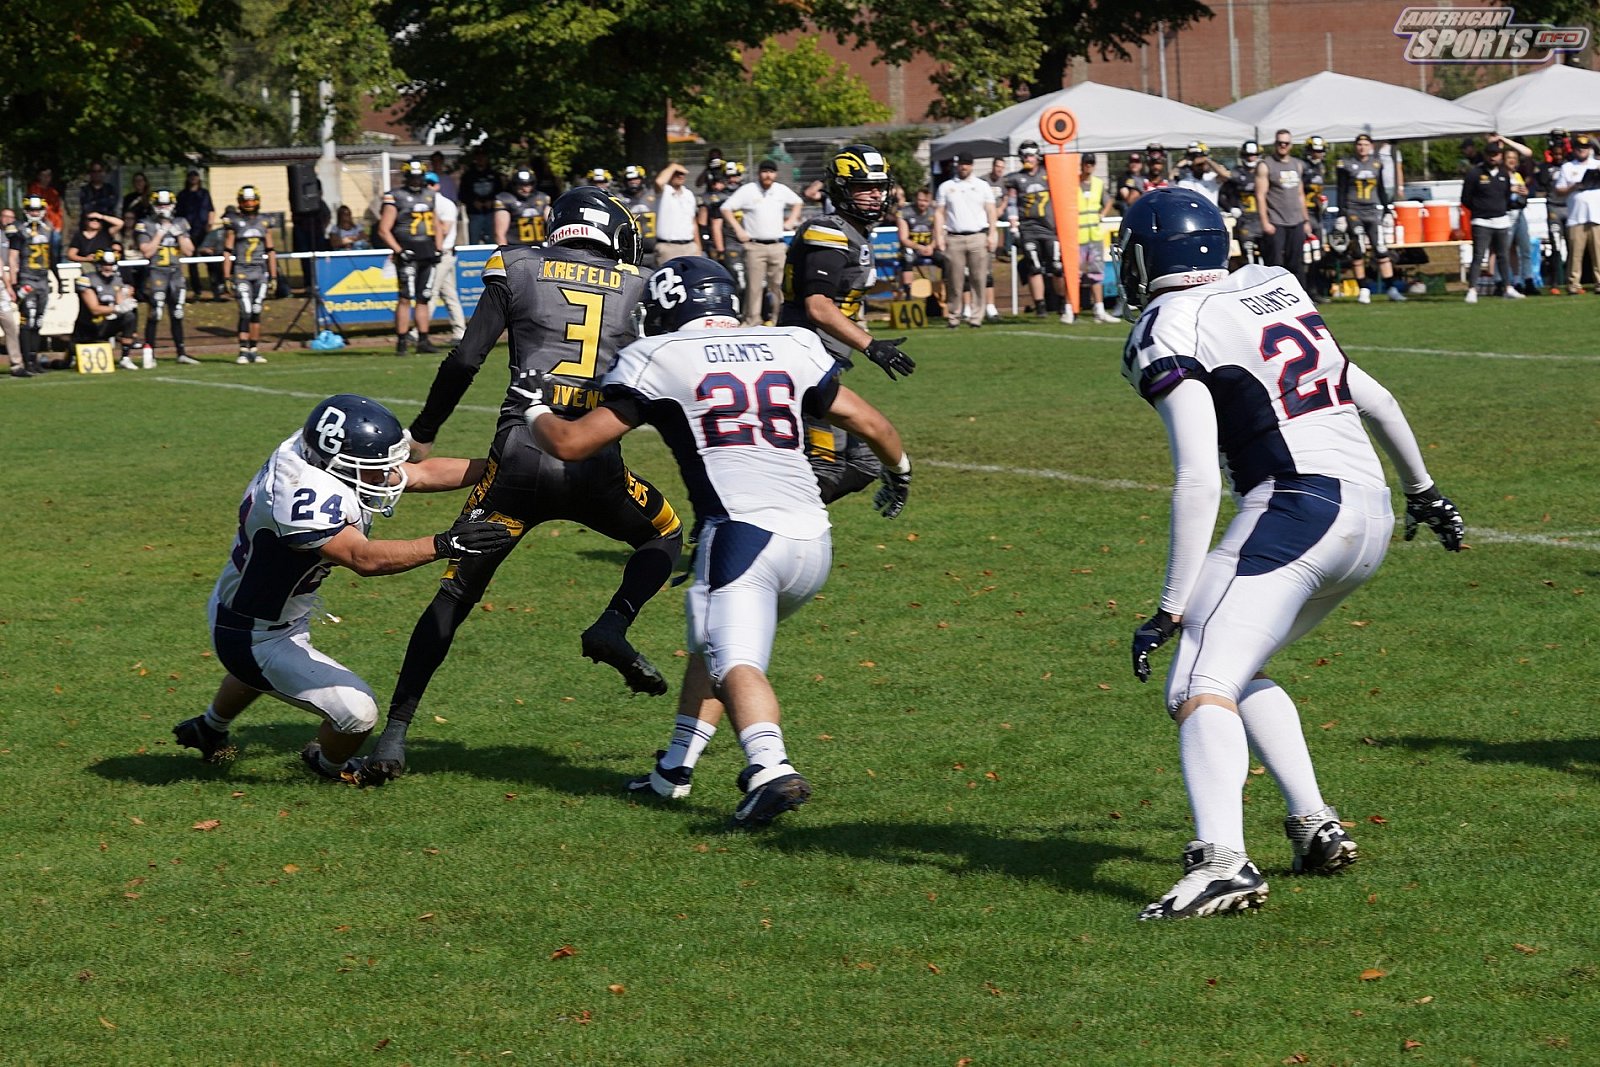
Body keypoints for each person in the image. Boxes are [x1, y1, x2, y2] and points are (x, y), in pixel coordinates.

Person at [1116, 188, 1465, 920]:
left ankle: (1222, 862)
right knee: (1235, 666)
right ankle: (1314, 824)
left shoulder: (1169, 321)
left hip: (1297, 506)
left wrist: (1171, 605)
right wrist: (1425, 491)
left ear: (1147, 257)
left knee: (1196, 679)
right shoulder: (1270, 289)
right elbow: (1376, 397)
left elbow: (1197, 475)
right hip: (1368, 512)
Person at [529, 256, 911, 826]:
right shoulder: (789, 343)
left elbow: (570, 443)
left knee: (734, 661)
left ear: (666, 308)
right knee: (711, 645)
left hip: (741, 535)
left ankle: (770, 768)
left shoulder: (659, 354)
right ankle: (674, 770)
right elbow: (872, 424)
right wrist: (899, 472)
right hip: (812, 540)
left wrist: (533, 409)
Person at [355, 188, 685, 785]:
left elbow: (464, 360)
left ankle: (395, 735)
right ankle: (613, 623)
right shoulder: (637, 284)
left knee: (455, 595)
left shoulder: (517, 265)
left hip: (518, 466)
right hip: (595, 465)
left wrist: (424, 432)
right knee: (664, 534)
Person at [171, 394, 513, 778]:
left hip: (252, 607)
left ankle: (209, 728)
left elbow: (418, 474)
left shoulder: (310, 455)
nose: (386, 475)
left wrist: (505, 467)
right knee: (358, 713)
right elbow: (362, 558)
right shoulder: (303, 498)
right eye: (374, 469)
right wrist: (445, 544)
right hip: (251, 632)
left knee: (266, 673)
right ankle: (328, 764)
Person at [778, 144, 916, 503]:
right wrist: (871, 346)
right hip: (802, 364)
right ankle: (764, 520)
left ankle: (775, 514)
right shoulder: (829, 232)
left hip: (823, 364)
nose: (875, 195)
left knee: (865, 462)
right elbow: (819, 306)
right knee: (825, 466)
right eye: (863, 187)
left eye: (879, 187)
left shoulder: (854, 232)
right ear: (841, 190)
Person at [720, 159, 803, 326]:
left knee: (779, 286)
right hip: (755, 246)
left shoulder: (780, 190)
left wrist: (791, 221)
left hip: (777, 245)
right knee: (754, 286)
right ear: (759, 173)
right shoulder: (748, 190)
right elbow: (726, 208)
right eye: (764, 172)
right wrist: (739, 230)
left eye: (771, 172)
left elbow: (798, 202)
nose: (768, 175)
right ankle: (752, 320)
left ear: (775, 174)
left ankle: (779, 320)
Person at [378, 159, 443, 355]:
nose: (416, 181)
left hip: (427, 251)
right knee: (405, 297)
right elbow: (383, 229)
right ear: (406, 177)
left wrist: (439, 247)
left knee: (424, 298)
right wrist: (399, 250)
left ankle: (423, 340)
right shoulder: (395, 196)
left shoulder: (430, 195)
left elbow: (437, 224)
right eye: (413, 177)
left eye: (418, 177)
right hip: (407, 251)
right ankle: (402, 341)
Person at [1335, 134, 1404, 303]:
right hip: (1354, 211)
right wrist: (1341, 213)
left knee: (1381, 249)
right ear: (1355, 146)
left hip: (1372, 211)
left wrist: (1387, 210)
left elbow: (1380, 189)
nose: (1362, 147)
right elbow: (1341, 190)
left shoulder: (1376, 164)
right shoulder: (1346, 164)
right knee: (1358, 249)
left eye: (1365, 144)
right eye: (1359, 144)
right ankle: (1363, 289)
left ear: (1371, 146)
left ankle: (1391, 288)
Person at [135, 189, 199, 366]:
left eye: (166, 204)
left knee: (177, 313)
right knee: (155, 313)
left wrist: (179, 234)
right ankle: (149, 353)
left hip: (176, 273)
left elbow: (189, 251)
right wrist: (160, 233)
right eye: (160, 205)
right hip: (156, 272)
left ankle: (181, 353)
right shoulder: (145, 224)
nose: (163, 208)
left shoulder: (180, 222)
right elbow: (147, 252)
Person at [933, 151, 997, 329]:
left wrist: (992, 234)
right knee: (954, 280)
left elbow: (991, 210)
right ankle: (954, 315)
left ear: (972, 165)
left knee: (979, 278)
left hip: (977, 236)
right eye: (961, 164)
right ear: (957, 165)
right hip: (954, 237)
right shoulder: (946, 187)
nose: (964, 167)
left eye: (967, 164)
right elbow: (939, 213)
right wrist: (939, 236)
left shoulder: (982, 186)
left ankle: (976, 317)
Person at [1004, 140, 1063, 318]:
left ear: (1037, 156)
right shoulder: (1016, 178)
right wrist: (1013, 226)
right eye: (1024, 156)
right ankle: (1040, 306)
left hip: (1049, 227)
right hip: (1028, 228)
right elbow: (1012, 203)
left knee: (1057, 266)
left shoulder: (1049, 173)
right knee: (1034, 266)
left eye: (1030, 155)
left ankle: (1062, 303)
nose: (1027, 159)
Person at [222, 185, 278, 364]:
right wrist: (226, 276)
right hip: (242, 271)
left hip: (260, 271)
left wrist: (274, 276)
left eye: (252, 200)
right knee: (245, 310)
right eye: (246, 201)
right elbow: (227, 251)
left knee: (256, 310)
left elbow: (271, 250)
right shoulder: (234, 222)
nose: (249, 204)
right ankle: (243, 350)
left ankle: (254, 349)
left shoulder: (264, 221)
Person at [1461, 143, 1521, 303]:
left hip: (1501, 220)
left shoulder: (1504, 174)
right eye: (1490, 154)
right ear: (1485, 155)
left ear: (1500, 156)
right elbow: (1465, 198)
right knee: (1478, 256)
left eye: (1496, 154)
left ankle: (1508, 288)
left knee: (1503, 256)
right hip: (1481, 221)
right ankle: (1472, 290)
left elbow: (1506, 196)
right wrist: (1480, 209)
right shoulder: (1475, 173)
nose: (1493, 157)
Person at [6, 196, 57, 375]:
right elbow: (13, 257)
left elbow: (52, 256)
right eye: (32, 210)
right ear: (26, 210)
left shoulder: (48, 227)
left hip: (42, 278)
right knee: (27, 319)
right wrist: (14, 282)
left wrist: (56, 277)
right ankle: (26, 360)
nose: (35, 213)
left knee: (38, 321)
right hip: (27, 278)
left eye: (37, 210)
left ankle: (34, 359)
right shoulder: (18, 229)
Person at [1255, 129, 1311, 289]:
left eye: (1286, 143)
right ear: (1275, 144)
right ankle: (1274, 294)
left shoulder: (1297, 165)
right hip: (1276, 221)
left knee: (1296, 263)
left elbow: (1300, 194)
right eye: (1280, 143)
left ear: (1291, 145)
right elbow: (1260, 195)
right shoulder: (1266, 165)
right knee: (1275, 264)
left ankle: (1300, 295)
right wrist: (1265, 222)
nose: (1283, 146)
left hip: (1296, 221)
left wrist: (1306, 220)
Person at [73, 249, 140, 370]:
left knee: (129, 316)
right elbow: (94, 309)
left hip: (106, 326)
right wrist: (117, 308)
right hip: (87, 328)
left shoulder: (117, 280)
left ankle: (125, 357)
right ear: (98, 264)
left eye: (110, 264)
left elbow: (120, 303)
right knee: (68, 362)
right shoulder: (87, 280)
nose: (108, 267)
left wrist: (126, 301)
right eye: (104, 264)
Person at [1075, 154, 1118, 324]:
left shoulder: (1098, 184)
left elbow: (1108, 201)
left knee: (1096, 273)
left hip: (1094, 235)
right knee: (1075, 274)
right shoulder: (1073, 183)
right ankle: (1071, 308)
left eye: (1091, 163)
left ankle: (1099, 308)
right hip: (1077, 236)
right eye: (1086, 163)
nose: (1088, 166)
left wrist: (1102, 214)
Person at [1556, 134, 1600, 295]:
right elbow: (1559, 190)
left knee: (1598, 253)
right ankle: (1573, 284)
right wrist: (1574, 187)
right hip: (1576, 216)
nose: (1582, 150)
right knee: (1575, 254)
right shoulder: (1568, 167)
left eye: (1585, 148)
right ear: (1574, 149)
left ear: (1590, 149)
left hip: (1596, 215)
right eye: (1579, 148)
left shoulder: (1597, 164)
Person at [428, 171, 467, 342]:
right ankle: (460, 331)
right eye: (425, 183)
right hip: (437, 253)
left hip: (443, 253)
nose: (428, 187)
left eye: (431, 183)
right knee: (450, 295)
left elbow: (444, 229)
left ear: (437, 186)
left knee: (430, 292)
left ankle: (418, 332)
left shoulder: (444, 203)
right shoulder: (425, 203)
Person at [176, 169, 221, 299]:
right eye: (191, 176)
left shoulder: (204, 193)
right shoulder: (182, 195)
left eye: (195, 176)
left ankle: (216, 287)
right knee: (192, 262)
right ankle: (197, 290)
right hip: (188, 233)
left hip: (203, 231)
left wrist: (210, 225)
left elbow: (211, 210)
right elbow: (179, 215)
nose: (193, 178)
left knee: (209, 259)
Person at [897, 185, 941, 311]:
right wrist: (919, 247)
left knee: (946, 259)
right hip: (912, 247)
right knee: (907, 257)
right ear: (915, 199)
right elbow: (904, 238)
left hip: (929, 247)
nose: (922, 203)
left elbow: (938, 234)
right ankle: (908, 295)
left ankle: (944, 293)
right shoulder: (904, 213)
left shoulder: (934, 213)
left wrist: (931, 246)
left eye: (926, 201)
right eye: (920, 200)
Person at [1220, 142, 1263, 265]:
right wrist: (1231, 208)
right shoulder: (1236, 173)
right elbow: (1222, 197)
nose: (1250, 158)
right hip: (1244, 220)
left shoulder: (1264, 172)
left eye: (1253, 155)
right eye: (1248, 155)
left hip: (1263, 219)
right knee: (1248, 255)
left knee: (1266, 254)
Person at [653, 162, 702, 260]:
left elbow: (693, 222)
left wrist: (698, 247)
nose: (680, 176)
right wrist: (673, 166)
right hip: (668, 247)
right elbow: (659, 182)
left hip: (689, 246)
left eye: (682, 174)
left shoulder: (689, 194)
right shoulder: (664, 191)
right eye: (677, 173)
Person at [492, 168, 551, 247]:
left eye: (529, 184)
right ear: (514, 184)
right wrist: (504, 250)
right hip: (516, 248)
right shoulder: (506, 199)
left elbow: (552, 221)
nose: (525, 189)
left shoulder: (542, 198)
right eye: (521, 184)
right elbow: (500, 234)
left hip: (539, 247)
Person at [459, 147, 503, 245]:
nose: (481, 159)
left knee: (492, 241)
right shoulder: (468, 175)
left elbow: (500, 193)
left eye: (483, 156)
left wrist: (492, 201)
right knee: (474, 242)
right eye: (478, 157)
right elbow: (462, 194)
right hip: (474, 213)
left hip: (491, 212)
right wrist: (473, 202)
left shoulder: (494, 175)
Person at [618, 164, 657, 268]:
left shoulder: (653, 195)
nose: (633, 182)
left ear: (642, 179)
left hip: (654, 250)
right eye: (629, 179)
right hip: (631, 252)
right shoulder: (619, 199)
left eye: (636, 178)